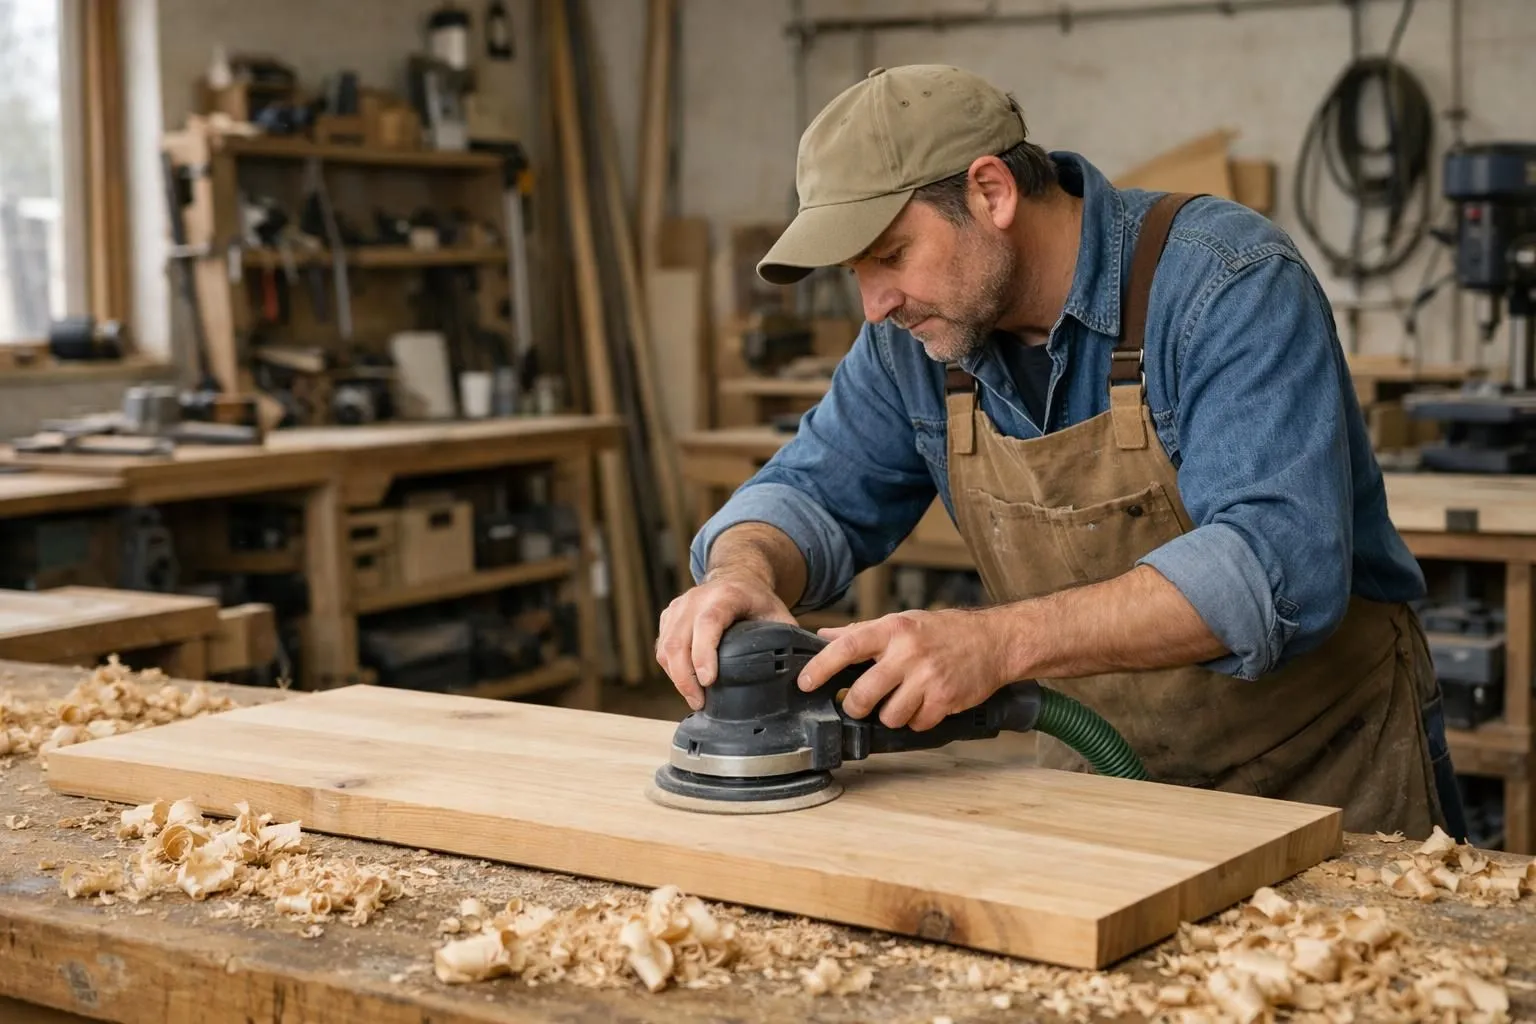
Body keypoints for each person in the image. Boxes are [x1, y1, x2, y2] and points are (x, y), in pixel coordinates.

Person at [653, 63, 1465, 840]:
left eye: (892, 255)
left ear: (991, 191)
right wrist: (741, 573)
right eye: (855, 273)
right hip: (1099, 783)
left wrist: (994, 643)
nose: (875, 305)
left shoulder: (1226, 283)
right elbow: (810, 492)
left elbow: (1275, 565)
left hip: (1323, 780)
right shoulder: (918, 343)